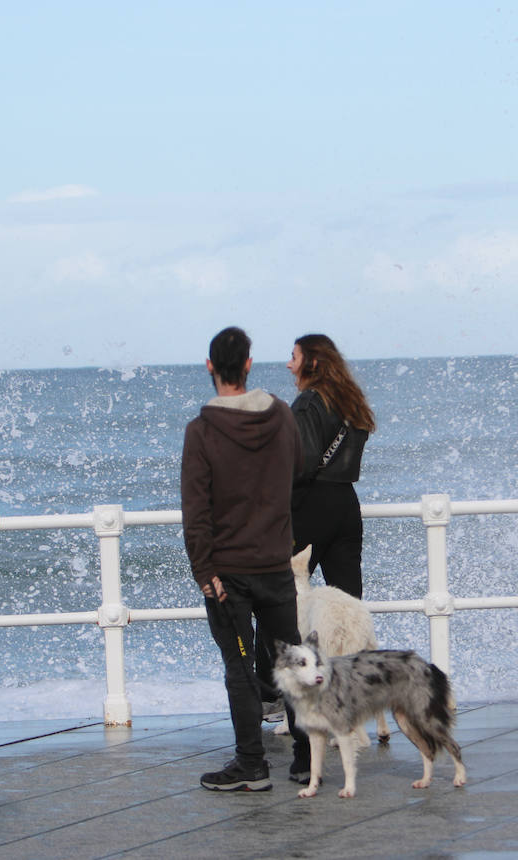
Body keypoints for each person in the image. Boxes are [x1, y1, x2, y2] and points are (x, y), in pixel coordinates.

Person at [181, 326, 311, 791]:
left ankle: (252, 764)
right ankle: (303, 758)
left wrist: (204, 572)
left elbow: (196, 510)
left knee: (239, 669)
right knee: (293, 662)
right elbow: (297, 468)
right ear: (250, 364)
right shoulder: (280, 414)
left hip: (228, 575)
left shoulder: (201, 431)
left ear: (211, 367)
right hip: (276, 565)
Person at [286, 333, 375, 598]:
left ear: (311, 363)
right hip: (346, 505)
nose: (289, 365)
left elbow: (304, 463)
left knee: (282, 597)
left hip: (311, 504)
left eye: (294, 357)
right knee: (348, 601)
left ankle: (277, 643)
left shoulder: (309, 402)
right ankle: (351, 642)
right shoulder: (351, 402)